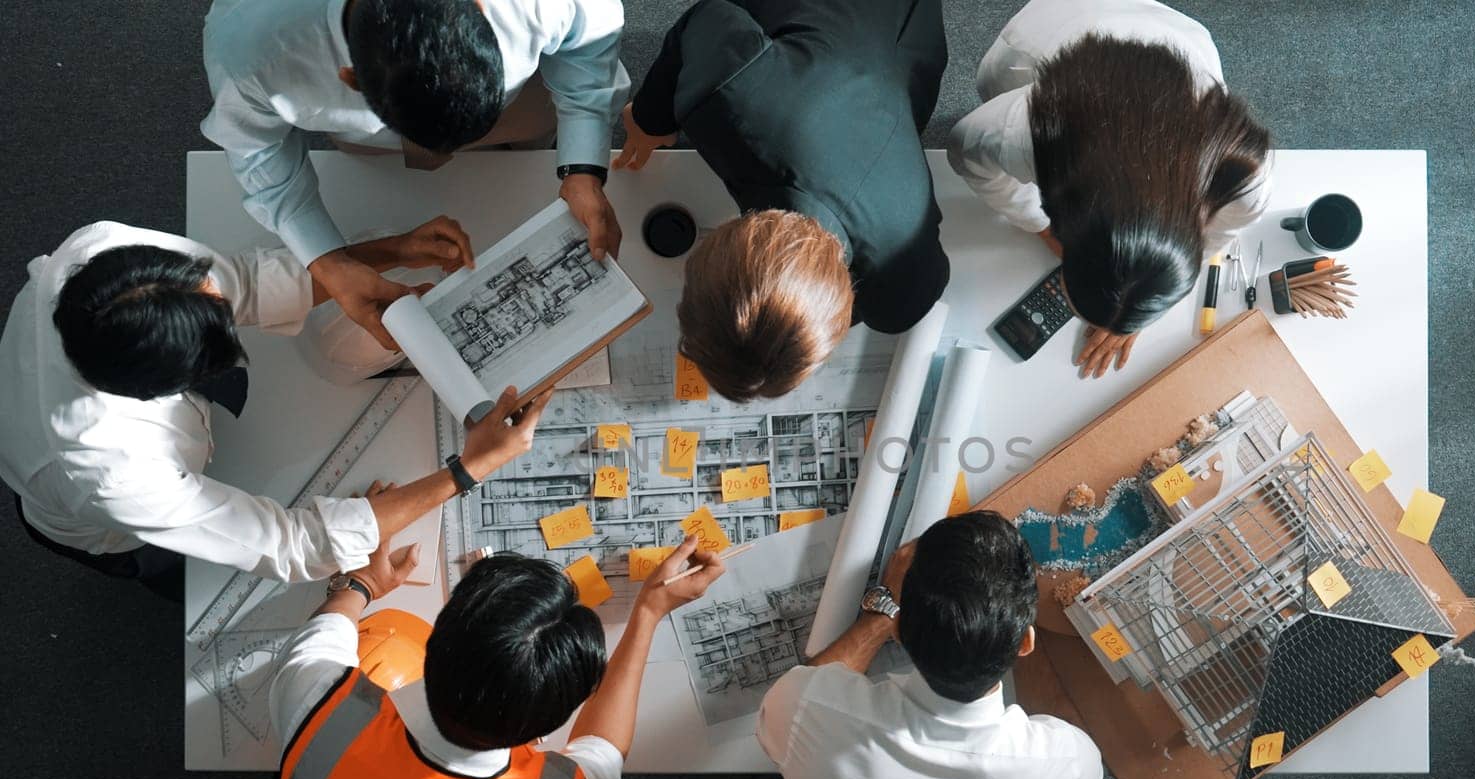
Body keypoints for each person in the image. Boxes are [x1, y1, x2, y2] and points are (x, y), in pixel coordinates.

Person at [0, 220, 547, 601]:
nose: (231, 311)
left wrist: (390, 251)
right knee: (181, 581)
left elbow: (245, 281)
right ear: (162, 389)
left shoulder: (101, 251)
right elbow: (295, 545)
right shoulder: (109, 471)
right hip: (106, 529)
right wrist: (467, 469)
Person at [230, 533, 726, 779]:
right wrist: (647, 612)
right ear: (547, 728)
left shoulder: (322, 705)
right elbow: (605, 750)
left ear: (435, 638)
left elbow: (324, 632)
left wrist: (361, 583)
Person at [201, 0, 630, 350]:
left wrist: (581, 170)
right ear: (350, 78)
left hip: (521, 105)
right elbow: (258, 150)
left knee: (529, 138)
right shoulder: (251, 47)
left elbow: (589, 43)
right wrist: (328, 262)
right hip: (373, 139)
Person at [743, 511, 1102, 779]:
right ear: (1026, 644)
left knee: (772, 775)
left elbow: (805, 693)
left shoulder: (809, 710)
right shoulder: (1068, 765)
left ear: (898, 630)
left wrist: (882, 612)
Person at [616, 0, 950, 402]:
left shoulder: (903, 296)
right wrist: (650, 119)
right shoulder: (729, 93)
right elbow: (707, 17)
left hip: (898, 40)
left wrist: (802, 307)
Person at [946, 0, 1272, 378]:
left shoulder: (1246, 178)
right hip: (1067, 26)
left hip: (1172, 58)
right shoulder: (1029, 135)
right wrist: (1039, 226)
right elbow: (965, 152)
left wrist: (1138, 308)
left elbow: (1211, 241)